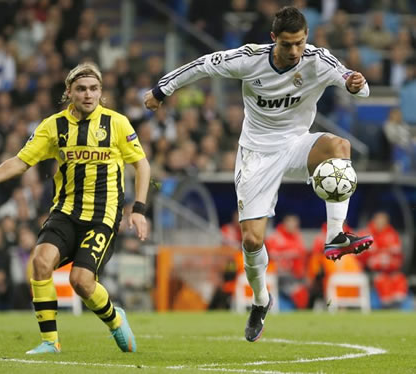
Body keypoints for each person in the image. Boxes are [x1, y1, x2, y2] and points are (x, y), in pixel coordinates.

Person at [144, 6, 373, 343]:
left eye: (299, 43)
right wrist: (162, 90)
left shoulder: (318, 60)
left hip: (296, 144)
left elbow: (356, 85)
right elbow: (203, 65)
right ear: (273, 39)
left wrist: (356, 84)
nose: (295, 51)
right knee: (251, 240)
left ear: (306, 38)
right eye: (287, 44)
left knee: (340, 146)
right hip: (256, 155)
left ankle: (336, 235)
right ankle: (261, 299)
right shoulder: (249, 59)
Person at [0, 62, 151, 354]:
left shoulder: (117, 123)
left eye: (94, 89)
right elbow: (20, 162)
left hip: (102, 217)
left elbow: (141, 165)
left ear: (101, 92)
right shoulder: (53, 126)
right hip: (66, 211)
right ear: (69, 92)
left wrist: (139, 209)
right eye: (81, 89)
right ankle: (49, 342)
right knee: (40, 263)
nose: (88, 95)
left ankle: (115, 318)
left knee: (80, 281)